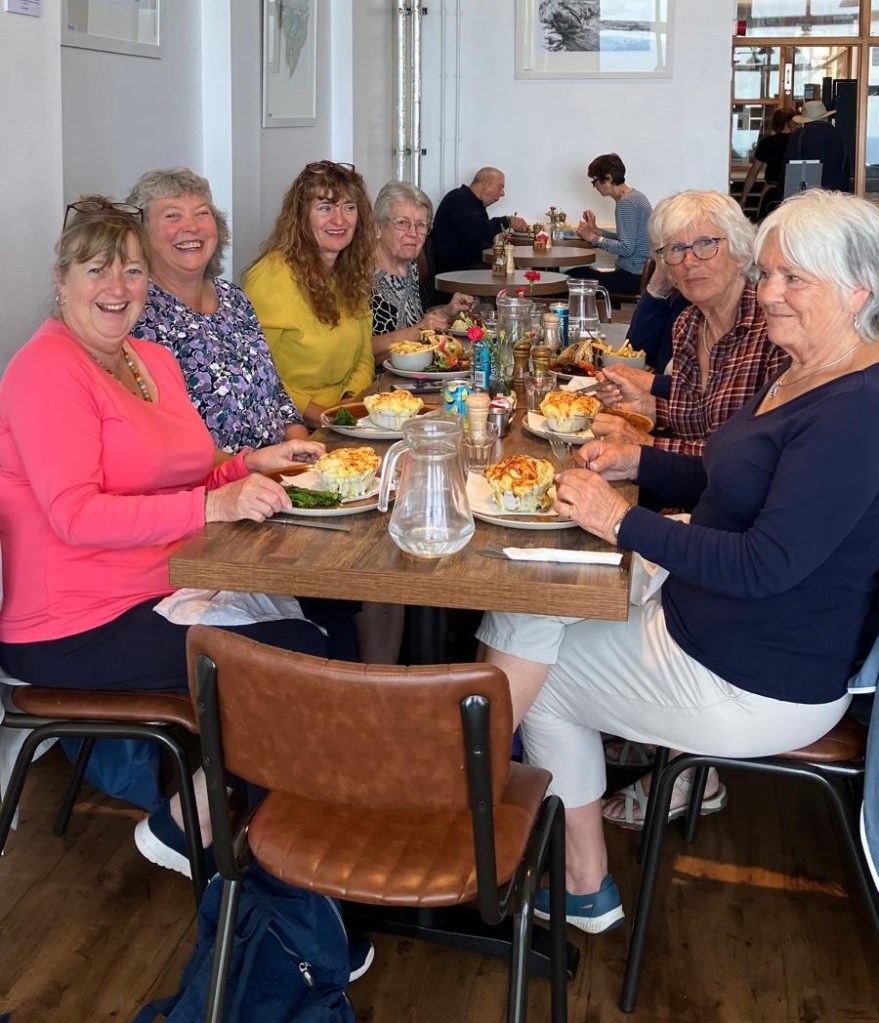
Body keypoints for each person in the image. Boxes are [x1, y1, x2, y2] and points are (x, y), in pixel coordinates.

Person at [476, 188, 879, 935]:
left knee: (538, 663)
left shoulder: (858, 409)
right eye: (768, 273)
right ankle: (479, 800)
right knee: (531, 601)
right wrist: (640, 464)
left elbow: (764, 564)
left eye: (794, 278)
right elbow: (728, 480)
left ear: (858, 290)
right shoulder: (806, 368)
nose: (770, 293)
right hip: (715, 622)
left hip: (759, 675)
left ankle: (485, 819)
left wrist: (620, 520)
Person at [0, 200, 356, 878]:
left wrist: (247, 465)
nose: (117, 287)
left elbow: (185, 475)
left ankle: (263, 847)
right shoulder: (46, 368)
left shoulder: (152, 361)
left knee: (325, 633)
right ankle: (216, 837)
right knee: (296, 661)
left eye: (132, 270)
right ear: (61, 279)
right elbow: (75, 515)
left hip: (163, 583)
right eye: (97, 269)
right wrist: (213, 504)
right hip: (74, 624)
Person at [126, 167, 307, 452]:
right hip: (216, 476)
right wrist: (250, 468)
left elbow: (275, 391)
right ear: (141, 235)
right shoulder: (138, 314)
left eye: (202, 213)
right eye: (172, 216)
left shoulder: (234, 297)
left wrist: (301, 447)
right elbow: (164, 437)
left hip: (279, 464)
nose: (191, 226)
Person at [592, 191, 785, 457]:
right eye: (676, 249)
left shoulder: (774, 330)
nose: (689, 262)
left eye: (706, 243)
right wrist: (644, 407)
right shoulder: (687, 324)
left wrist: (644, 446)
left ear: (742, 251)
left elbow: (749, 458)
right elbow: (697, 417)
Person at [243, 161, 376, 429]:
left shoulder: (352, 271)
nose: (340, 220)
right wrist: (326, 416)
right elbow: (256, 373)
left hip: (347, 415)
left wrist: (348, 406)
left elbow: (365, 355)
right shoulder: (270, 277)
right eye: (325, 208)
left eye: (349, 207)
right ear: (302, 216)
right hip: (289, 425)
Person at [371, 180, 474, 362]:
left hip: (413, 370)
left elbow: (411, 323)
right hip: (377, 378)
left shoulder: (410, 265)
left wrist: (445, 312)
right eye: (402, 223)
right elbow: (356, 351)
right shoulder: (360, 275)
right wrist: (419, 331)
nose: (413, 233)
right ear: (378, 227)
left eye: (421, 225)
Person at [570, 153, 652, 297]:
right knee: (579, 273)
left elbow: (626, 249)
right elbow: (628, 239)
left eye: (595, 181)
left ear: (608, 178)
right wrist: (596, 230)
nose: (594, 186)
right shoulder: (636, 196)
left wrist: (593, 238)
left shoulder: (626, 203)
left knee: (571, 277)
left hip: (632, 276)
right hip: (641, 274)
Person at [430, 167, 528, 274]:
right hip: (458, 271)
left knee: (514, 268)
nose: (502, 193)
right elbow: (476, 230)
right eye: (500, 187)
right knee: (513, 273)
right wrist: (507, 221)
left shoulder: (474, 204)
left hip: (471, 266)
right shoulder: (458, 199)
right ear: (485, 183)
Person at [739, 106, 796, 221]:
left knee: (765, 223)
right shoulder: (797, 141)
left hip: (771, 189)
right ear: (791, 121)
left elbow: (754, 171)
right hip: (792, 191)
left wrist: (744, 197)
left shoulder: (767, 142)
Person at [785, 99, 851, 193]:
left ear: (805, 119)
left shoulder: (798, 137)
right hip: (835, 195)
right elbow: (845, 170)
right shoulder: (839, 136)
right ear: (825, 117)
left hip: (807, 194)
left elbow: (790, 168)